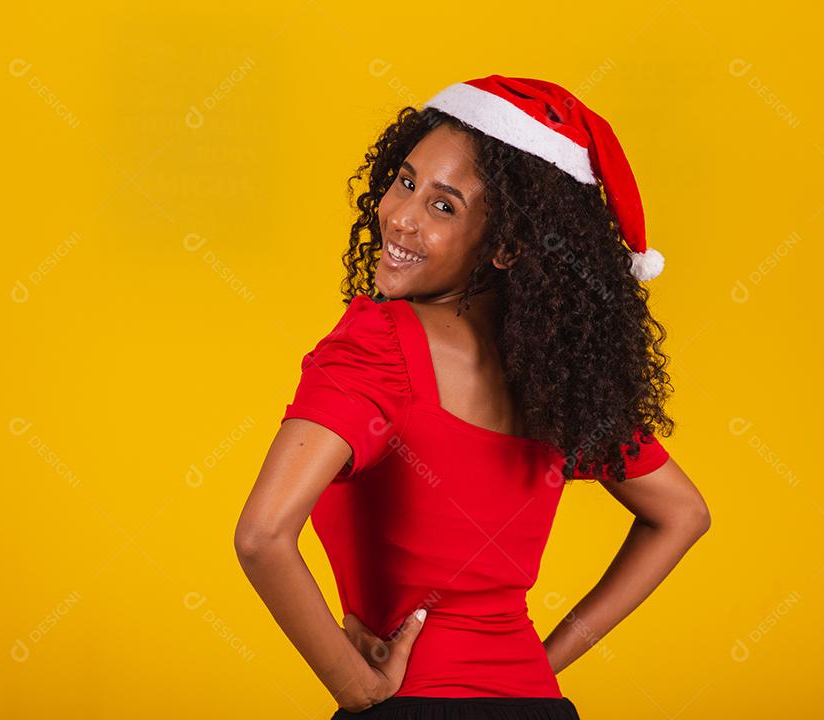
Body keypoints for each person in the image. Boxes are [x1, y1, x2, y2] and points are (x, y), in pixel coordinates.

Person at [234, 74, 711, 720]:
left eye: (444, 206)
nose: (400, 216)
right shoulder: (560, 375)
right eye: (405, 181)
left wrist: (357, 687)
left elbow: (262, 536)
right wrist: (542, 663)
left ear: (507, 246)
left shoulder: (379, 341)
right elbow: (682, 514)